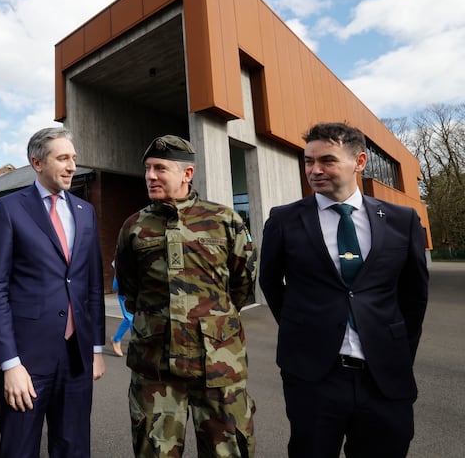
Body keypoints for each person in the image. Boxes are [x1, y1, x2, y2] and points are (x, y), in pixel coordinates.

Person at [259, 122, 429, 458]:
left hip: (384, 377)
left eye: (327, 160)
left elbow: (414, 295)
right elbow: (270, 283)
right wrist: (306, 330)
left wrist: (395, 349)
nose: (315, 170)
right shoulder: (284, 219)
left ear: (360, 162)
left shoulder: (401, 220)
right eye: (308, 161)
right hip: (314, 377)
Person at [114, 134, 257, 458]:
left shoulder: (225, 221)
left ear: (186, 174)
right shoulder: (134, 227)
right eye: (148, 168)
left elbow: (242, 285)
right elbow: (130, 288)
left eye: (160, 168)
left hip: (219, 364)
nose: (150, 176)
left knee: (229, 452)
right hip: (155, 366)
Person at [0, 127, 105, 458]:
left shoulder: (85, 211)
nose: (71, 166)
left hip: (76, 357)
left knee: (73, 447)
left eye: (74, 159)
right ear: (37, 162)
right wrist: (9, 363)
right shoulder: (9, 209)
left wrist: (95, 348)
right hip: (27, 360)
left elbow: (93, 284)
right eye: (62, 158)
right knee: (19, 449)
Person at [110, 270, 132, 357]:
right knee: (130, 317)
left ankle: (135, 343)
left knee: (134, 318)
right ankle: (116, 339)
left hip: (136, 288)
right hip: (126, 288)